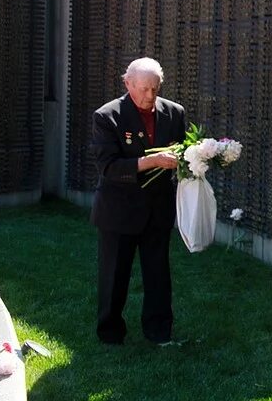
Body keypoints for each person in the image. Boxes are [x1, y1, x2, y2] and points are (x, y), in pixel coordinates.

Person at [90, 57, 186, 345]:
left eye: (155, 89)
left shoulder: (174, 113)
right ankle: (110, 333)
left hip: (158, 208)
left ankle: (159, 332)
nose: (149, 96)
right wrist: (151, 161)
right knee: (114, 274)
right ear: (127, 83)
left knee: (158, 274)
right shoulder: (107, 116)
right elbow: (108, 167)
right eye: (143, 89)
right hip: (119, 209)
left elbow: (182, 152)